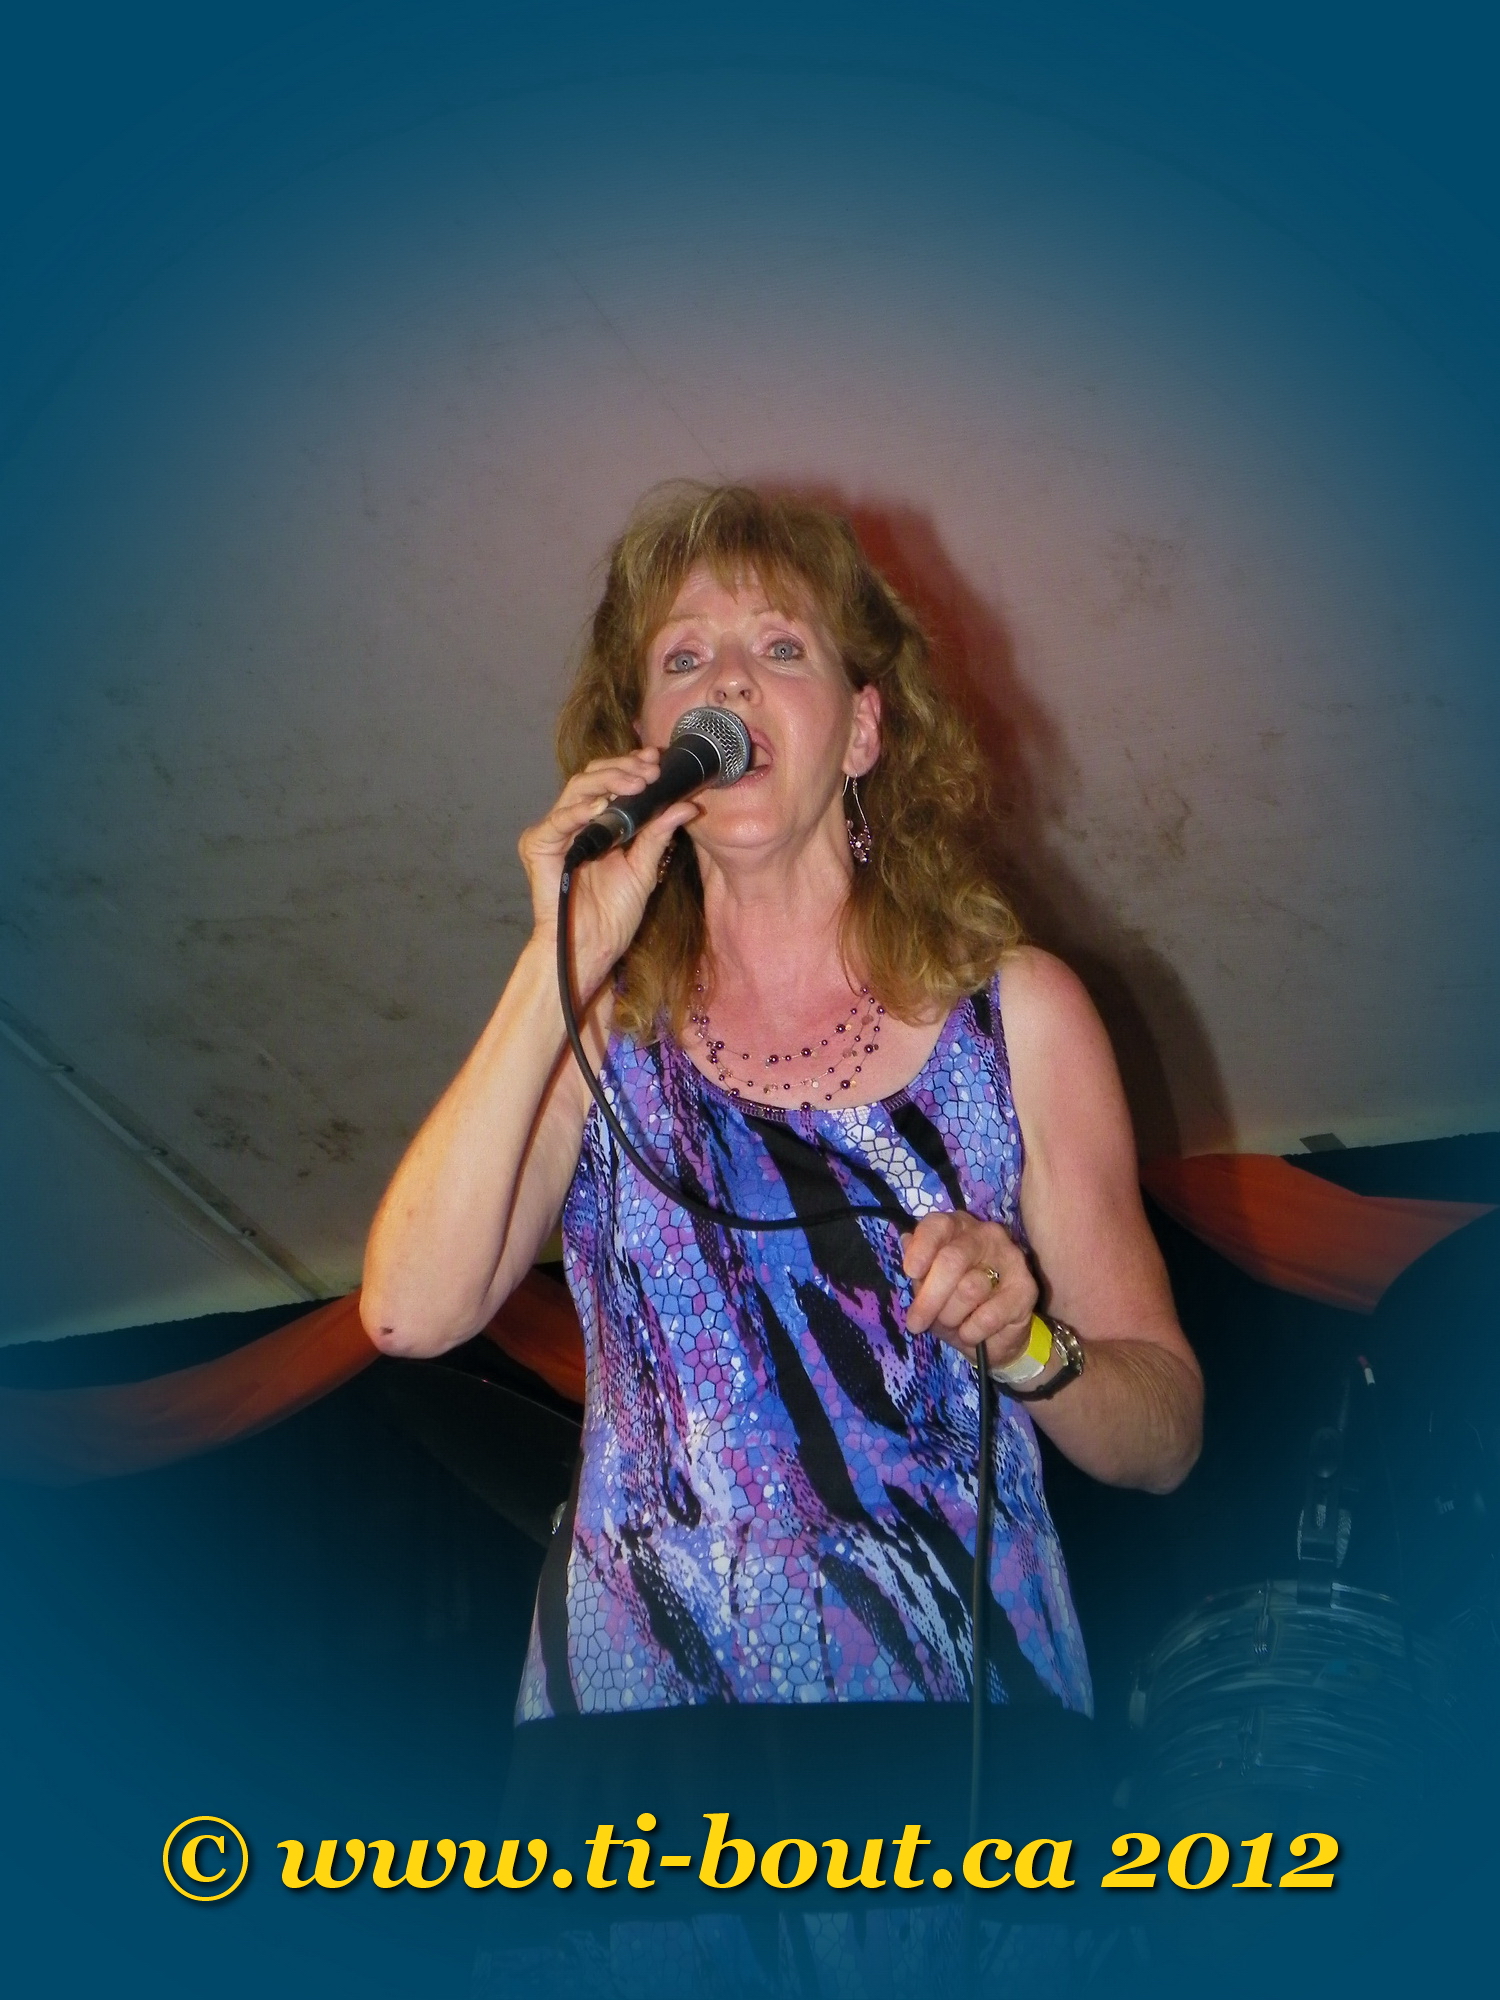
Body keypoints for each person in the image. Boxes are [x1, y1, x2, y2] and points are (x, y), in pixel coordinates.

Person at [360, 483, 1202, 1738]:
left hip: (950, 1707)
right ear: (646, 743)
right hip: (645, 1723)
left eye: (780, 645)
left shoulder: (1015, 1017)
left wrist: (1026, 1340)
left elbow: (1165, 1434)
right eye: (685, 658)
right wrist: (562, 956)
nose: (730, 681)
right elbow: (406, 1310)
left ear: (862, 729)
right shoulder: (598, 1032)